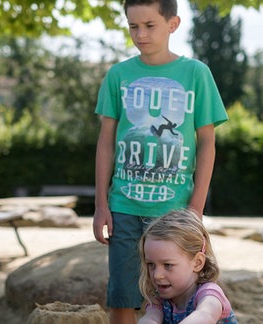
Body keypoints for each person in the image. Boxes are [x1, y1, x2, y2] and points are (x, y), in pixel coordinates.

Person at [92, 0, 228, 322]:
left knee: (181, 295)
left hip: (176, 211)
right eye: (133, 26)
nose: (140, 34)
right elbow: (106, 143)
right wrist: (101, 204)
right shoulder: (118, 76)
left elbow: (207, 143)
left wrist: (195, 208)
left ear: (173, 24)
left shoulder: (196, 74)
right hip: (123, 205)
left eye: (149, 25)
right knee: (122, 296)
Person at [138, 209, 237, 324]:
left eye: (168, 265)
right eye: (151, 264)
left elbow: (205, 314)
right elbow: (150, 318)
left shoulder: (209, 293)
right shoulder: (160, 300)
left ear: (197, 263)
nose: (157, 275)